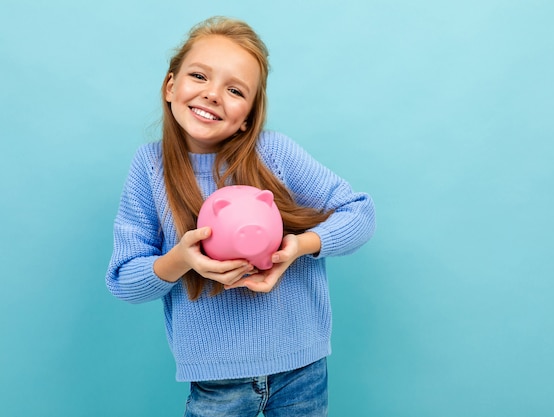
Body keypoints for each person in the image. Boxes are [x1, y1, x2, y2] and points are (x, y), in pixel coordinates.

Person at [106, 16, 376, 417]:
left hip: (302, 368)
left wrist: (298, 246)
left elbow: (361, 213)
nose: (213, 94)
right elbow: (124, 281)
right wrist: (183, 258)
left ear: (249, 114)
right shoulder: (150, 168)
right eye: (199, 76)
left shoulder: (276, 154)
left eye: (235, 90)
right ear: (170, 86)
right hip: (217, 383)